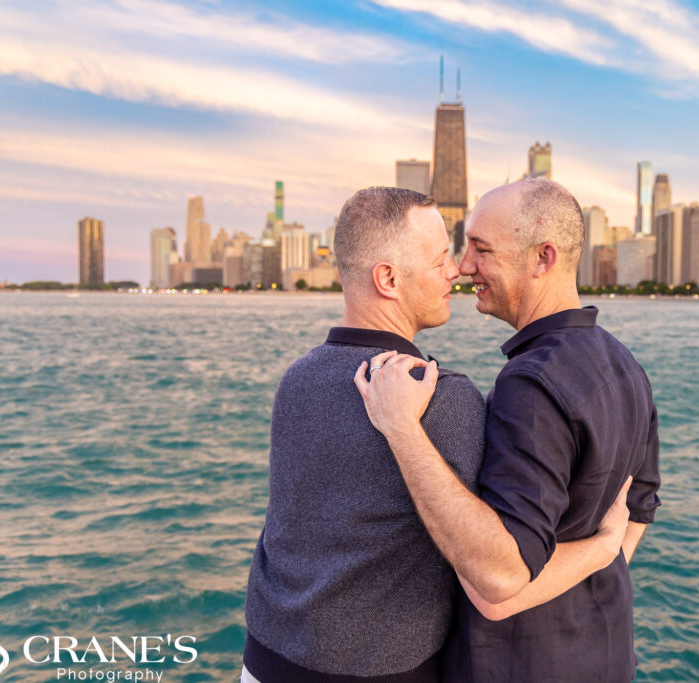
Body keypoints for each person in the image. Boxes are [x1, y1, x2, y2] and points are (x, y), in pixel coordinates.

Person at [242, 186, 632, 683]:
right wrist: (603, 548)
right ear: (388, 278)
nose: (458, 269)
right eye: (440, 258)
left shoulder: (296, 380)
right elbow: (497, 572)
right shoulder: (440, 398)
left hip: (264, 659)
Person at [355, 178, 662, 682]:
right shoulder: (624, 364)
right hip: (608, 658)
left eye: (481, 248)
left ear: (543, 259)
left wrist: (402, 428)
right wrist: (597, 554)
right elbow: (638, 511)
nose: (463, 266)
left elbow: (498, 585)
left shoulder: (531, 383)